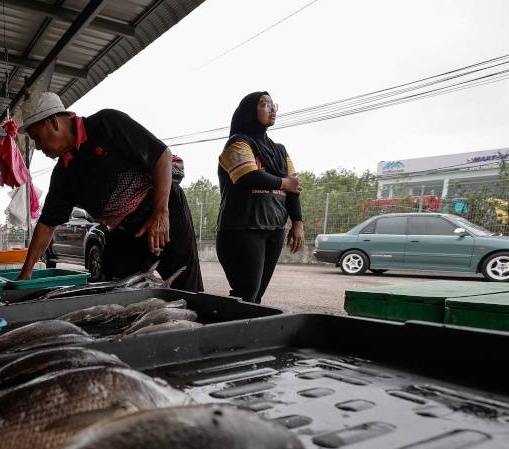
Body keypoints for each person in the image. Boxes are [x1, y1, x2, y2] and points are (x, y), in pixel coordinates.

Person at [16, 93, 203, 291]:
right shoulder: (64, 172)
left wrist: (161, 213)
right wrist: (26, 274)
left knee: (185, 287)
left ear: (53, 121)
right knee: (114, 291)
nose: (38, 147)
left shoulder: (106, 124)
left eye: (37, 137)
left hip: (162, 211)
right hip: (125, 230)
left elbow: (161, 156)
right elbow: (46, 225)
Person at [215, 91, 304, 304]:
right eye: (265, 105)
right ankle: (231, 334)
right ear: (249, 111)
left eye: (274, 105)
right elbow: (248, 176)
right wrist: (284, 182)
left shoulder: (279, 150)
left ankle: (246, 334)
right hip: (242, 229)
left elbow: (294, 188)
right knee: (246, 292)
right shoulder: (238, 143)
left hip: (274, 229)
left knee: (256, 296)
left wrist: (297, 222)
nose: (272, 109)